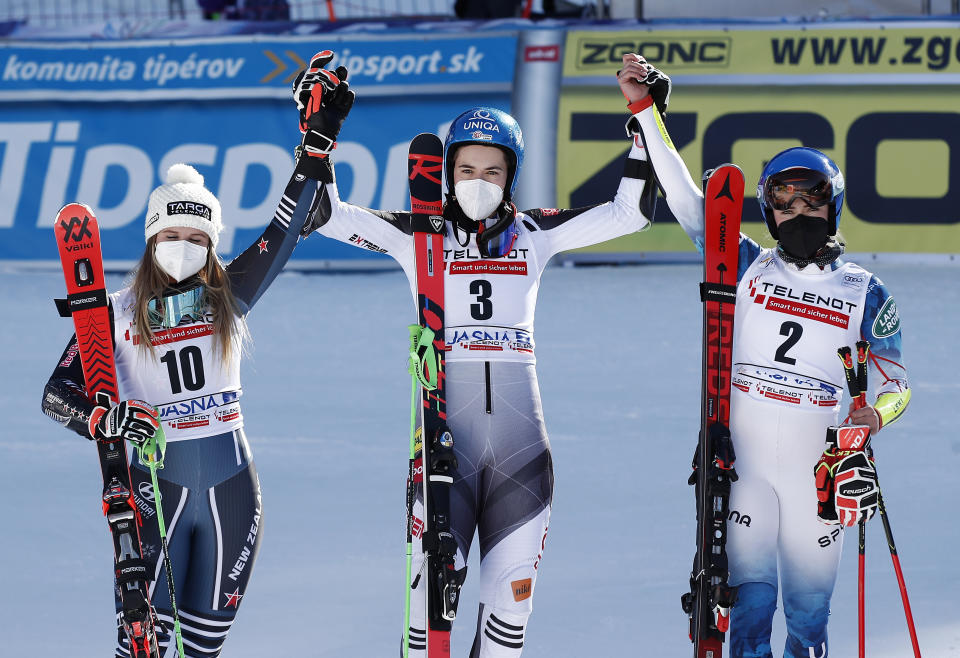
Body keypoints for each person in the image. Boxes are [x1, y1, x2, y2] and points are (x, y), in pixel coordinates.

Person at [289, 50, 673, 656]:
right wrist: (317, 136)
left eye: (492, 172)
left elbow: (630, 214)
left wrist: (644, 120)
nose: (477, 182)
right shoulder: (419, 236)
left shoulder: (537, 233)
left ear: (510, 177)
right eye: (465, 169)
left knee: (505, 633)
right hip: (444, 455)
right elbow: (321, 215)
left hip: (525, 461)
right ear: (445, 174)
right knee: (424, 635)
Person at [41, 67, 353, 658]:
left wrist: (317, 142)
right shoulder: (111, 312)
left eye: (196, 235)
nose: (181, 245)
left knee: (203, 650)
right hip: (153, 493)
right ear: (150, 239)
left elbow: (285, 231)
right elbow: (58, 393)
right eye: (169, 233)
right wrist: (103, 421)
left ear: (211, 245)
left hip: (234, 495)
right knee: (141, 647)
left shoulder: (229, 295)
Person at [627, 55, 912, 658]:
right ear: (767, 210)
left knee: (808, 628)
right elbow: (686, 201)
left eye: (810, 200)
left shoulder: (865, 291)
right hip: (747, 476)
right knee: (748, 622)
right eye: (784, 202)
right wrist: (645, 111)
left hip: (817, 481)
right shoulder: (745, 264)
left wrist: (875, 416)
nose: (797, 212)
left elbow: (897, 381)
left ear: (831, 204)